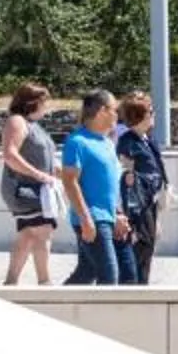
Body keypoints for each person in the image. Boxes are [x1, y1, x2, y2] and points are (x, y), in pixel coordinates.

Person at [57, 88, 131, 287]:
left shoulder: (107, 143)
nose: (117, 115)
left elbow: (109, 184)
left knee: (85, 273)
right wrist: (85, 219)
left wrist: (117, 214)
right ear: (102, 111)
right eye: (114, 110)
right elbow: (69, 181)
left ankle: (57, 304)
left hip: (105, 218)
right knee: (109, 276)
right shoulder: (77, 142)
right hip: (93, 219)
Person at [0, 81, 58, 286]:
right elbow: (10, 154)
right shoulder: (17, 121)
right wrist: (38, 175)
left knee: (28, 233)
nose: (47, 106)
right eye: (44, 102)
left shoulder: (35, 126)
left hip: (37, 188)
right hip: (24, 188)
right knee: (43, 229)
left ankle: (11, 281)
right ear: (33, 102)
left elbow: (46, 159)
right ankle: (44, 281)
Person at [114, 93, 170, 286]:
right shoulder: (128, 143)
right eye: (150, 112)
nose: (154, 115)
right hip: (136, 209)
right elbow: (125, 178)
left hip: (149, 205)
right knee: (139, 250)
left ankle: (141, 287)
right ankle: (133, 290)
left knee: (147, 249)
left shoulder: (147, 140)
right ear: (139, 116)